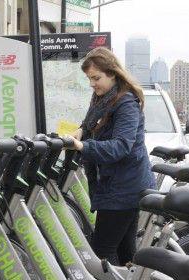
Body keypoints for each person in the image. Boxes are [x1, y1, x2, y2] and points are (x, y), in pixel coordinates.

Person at [66, 47, 156, 266]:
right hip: (120, 185)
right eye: (89, 79)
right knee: (125, 253)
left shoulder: (125, 103)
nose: (92, 84)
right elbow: (92, 124)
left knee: (103, 252)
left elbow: (120, 146)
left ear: (113, 73)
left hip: (123, 188)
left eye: (96, 78)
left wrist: (82, 146)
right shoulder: (102, 98)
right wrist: (81, 131)